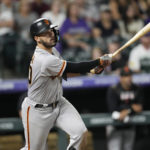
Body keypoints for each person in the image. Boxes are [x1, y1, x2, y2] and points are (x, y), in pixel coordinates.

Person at [20, 18, 112, 150]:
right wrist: (98, 61)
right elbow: (74, 67)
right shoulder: (43, 59)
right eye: (45, 33)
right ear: (37, 38)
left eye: (51, 31)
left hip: (59, 103)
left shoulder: (52, 51)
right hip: (37, 110)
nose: (51, 34)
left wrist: (92, 70)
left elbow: (64, 73)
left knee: (81, 133)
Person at [106, 66, 143, 150]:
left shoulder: (137, 88)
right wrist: (131, 108)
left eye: (130, 76)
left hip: (129, 124)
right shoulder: (113, 89)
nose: (128, 78)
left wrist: (127, 111)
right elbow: (112, 109)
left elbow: (139, 107)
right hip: (114, 125)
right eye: (126, 76)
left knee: (128, 148)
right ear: (121, 78)